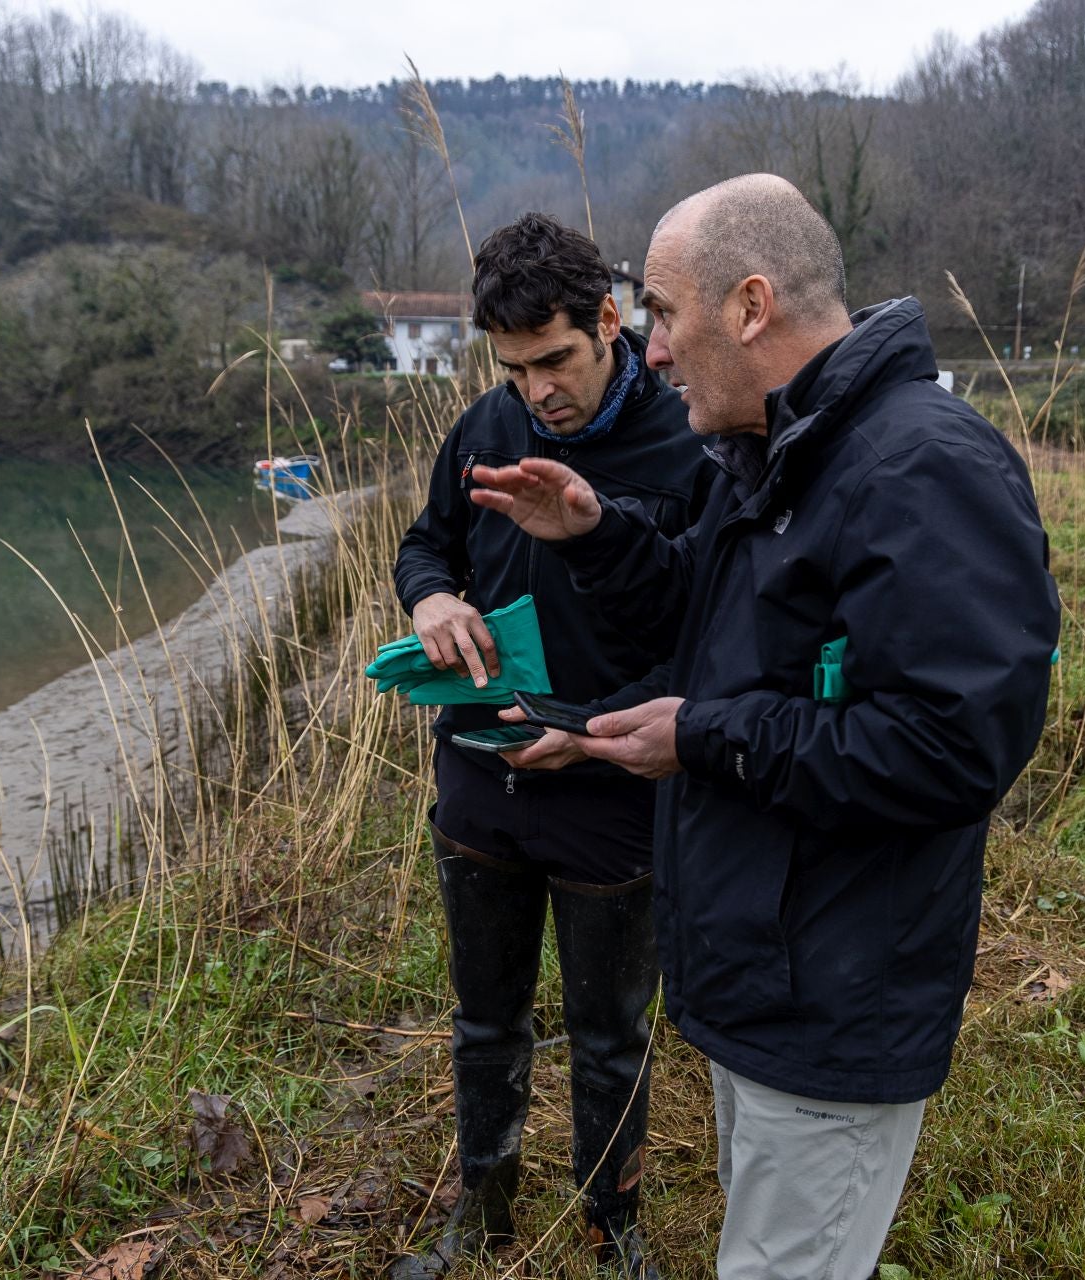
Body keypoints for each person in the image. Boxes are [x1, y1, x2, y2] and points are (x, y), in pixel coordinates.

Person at [469, 175, 1061, 1280]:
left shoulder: (920, 466)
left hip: (835, 1004)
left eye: (662, 312)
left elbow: (953, 744)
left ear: (749, 306)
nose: (647, 351)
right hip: (765, 982)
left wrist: (706, 737)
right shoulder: (784, 448)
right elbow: (711, 615)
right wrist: (594, 535)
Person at [389, 211, 707, 1279]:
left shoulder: (688, 441)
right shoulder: (485, 427)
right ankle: (482, 1206)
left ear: (610, 319)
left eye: (556, 360)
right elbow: (428, 539)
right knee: (485, 1018)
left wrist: (588, 734)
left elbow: (709, 634)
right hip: (478, 780)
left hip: (611, 789)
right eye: (515, 367)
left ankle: (612, 1227)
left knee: (609, 1032)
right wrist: (432, 595)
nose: (538, 391)